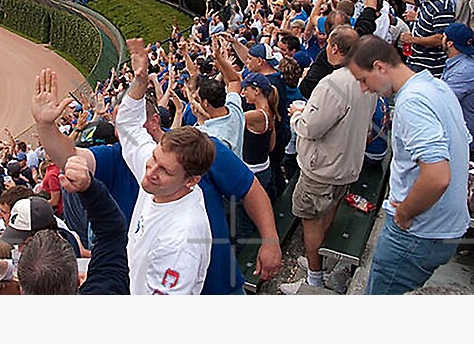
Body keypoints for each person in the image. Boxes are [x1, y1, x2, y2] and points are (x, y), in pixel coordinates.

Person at [32, 65, 281, 294]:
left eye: (164, 170)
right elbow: (70, 158)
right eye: (115, 122)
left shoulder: (199, 149)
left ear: (152, 121)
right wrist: (45, 125)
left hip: (219, 287)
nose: (120, 132)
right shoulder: (123, 155)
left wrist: (269, 240)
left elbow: (250, 188)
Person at [347, 35, 472, 294]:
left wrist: (405, 212)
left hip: (417, 233)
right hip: (443, 228)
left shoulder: (412, 103)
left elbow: (437, 176)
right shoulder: (437, 86)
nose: (363, 88)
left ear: (380, 67)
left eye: (363, 79)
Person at [280, 27, 376, 292]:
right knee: (328, 210)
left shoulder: (332, 83)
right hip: (347, 165)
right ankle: (319, 258)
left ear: (334, 49)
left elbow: (310, 128)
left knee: (310, 220)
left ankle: (314, 278)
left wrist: (296, 115)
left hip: (322, 169)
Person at [16, 156, 129, 295]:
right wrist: (89, 188)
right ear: (78, 280)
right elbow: (111, 233)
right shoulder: (105, 289)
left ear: (21, 291)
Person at [441, 22, 474, 153]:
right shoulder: (458, 62)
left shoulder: (464, 70)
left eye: (444, 36)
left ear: (450, 43)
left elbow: (443, 101)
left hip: (465, 139)